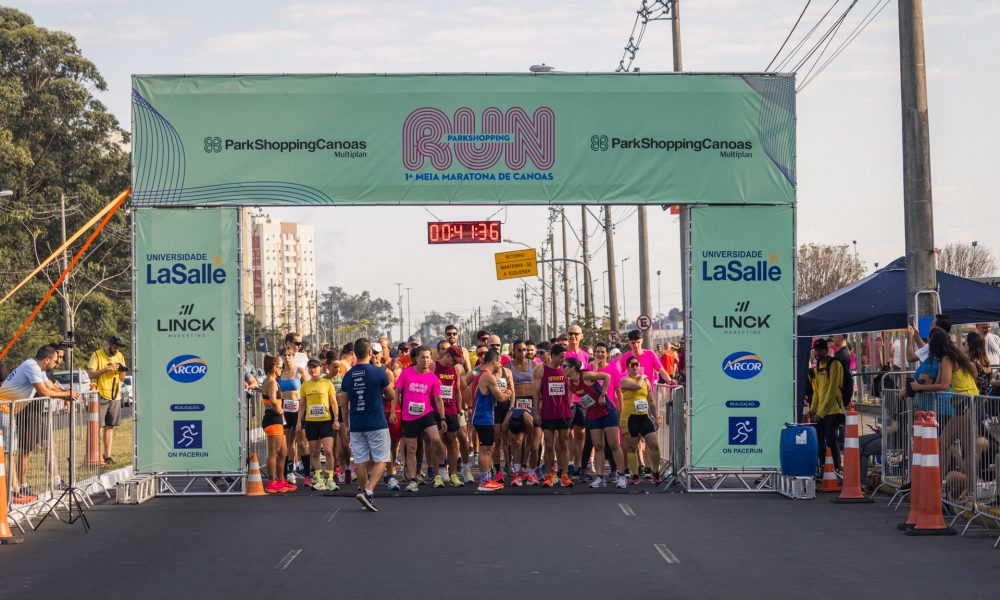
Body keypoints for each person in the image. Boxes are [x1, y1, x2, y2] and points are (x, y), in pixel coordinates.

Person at [1, 345, 78, 503]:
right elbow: (44, 392)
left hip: (9, 410)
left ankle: (15, 489)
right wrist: (66, 396)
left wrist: (66, 392)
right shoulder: (31, 366)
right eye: (55, 361)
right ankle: (12, 491)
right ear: (47, 359)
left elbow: (50, 386)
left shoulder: (38, 368)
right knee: (9, 452)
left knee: (11, 452)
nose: (57, 364)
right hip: (3, 409)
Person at [340, 338, 396, 512]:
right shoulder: (379, 372)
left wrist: (347, 424)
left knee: (361, 461)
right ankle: (369, 491)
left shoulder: (348, 375)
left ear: (354, 354)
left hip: (356, 424)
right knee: (382, 458)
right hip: (377, 423)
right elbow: (392, 395)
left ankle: (365, 495)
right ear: (370, 353)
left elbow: (343, 402)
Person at [562, 358, 626, 489]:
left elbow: (607, 376)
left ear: (573, 368)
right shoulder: (571, 384)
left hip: (607, 410)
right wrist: (584, 403)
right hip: (593, 413)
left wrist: (603, 393)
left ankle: (622, 476)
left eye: (564, 366)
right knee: (597, 446)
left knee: (614, 444)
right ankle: (600, 477)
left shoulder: (586, 375)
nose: (562, 368)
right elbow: (583, 396)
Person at [392, 346, 447, 492]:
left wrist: (442, 418)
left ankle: (440, 470)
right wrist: (393, 412)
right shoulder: (406, 373)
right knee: (411, 448)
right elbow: (396, 392)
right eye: (423, 357)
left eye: (428, 357)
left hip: (426, 414)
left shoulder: (433, 377)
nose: (426, 360)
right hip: (409, 416)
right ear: (416, 358)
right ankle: (412, 479)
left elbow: (438, 399)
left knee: (436, 441)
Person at [618, 355, 664, 485]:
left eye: (637, 364)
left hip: (644, 417)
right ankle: (635, 475)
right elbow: (637, 386)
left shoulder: (646, 382)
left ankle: (655, 472)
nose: (636, 367)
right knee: (632, 447)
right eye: (633, 365)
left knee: (654, 445)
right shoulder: (624, 380)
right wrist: (643, 376)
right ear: (627, 367)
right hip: (630, 417)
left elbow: (651, 401)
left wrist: (655, 416)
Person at [533, 343, 574, 487]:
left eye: (565, 357)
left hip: (563, 412)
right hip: (548, 413)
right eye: (561, 357)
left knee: (563, 443)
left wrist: (569, 404)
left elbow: (572, 387)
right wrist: (536, 412)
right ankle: (550, 474)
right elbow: (536, 393)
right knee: (549, 444)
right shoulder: (542, 370)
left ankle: (564, 474)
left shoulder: (566, 370)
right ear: (553, 356)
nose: (563, 360)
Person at [298, 359, 339, 491]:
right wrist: (299, 421)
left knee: (328, 450)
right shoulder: (305, 385)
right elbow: (302, 405)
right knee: (314, 452)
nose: (312, 370)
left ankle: (330, 480)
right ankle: (319, 480)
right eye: (310, 367)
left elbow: (333, 402)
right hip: (311, 422)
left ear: (320, 368)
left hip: (325, 421)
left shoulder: (327, 383)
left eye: (315, 367)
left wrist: (336, 419)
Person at [86, 335, 127, 465]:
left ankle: (107, 455)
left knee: (109, 426)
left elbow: (122, 378)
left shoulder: (119, 355)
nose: (117, 350)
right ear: (109, 344)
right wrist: (107, 369)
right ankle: (95, 455)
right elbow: (90, 374)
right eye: (115, 347)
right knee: (97, 426)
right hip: (101, 394)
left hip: (115, 396)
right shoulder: (97, 355)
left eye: (119, 348)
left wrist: (121, 370)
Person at [472, 349, 508, 491]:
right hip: (483, 417)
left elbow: (493, 394)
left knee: (488, 448)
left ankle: (486, 479)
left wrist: (502, 393)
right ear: (494, 361)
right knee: (486, 449)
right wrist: (508, 394)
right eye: (499, 361)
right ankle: (484, 481)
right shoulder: (488, 376)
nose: (500, 365)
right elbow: (499, 398)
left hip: (483, 416)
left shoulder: (481, 373)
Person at [809, 339, 845, 475]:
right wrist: (813, 408)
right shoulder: (818, 365)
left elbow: (832, 391)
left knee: (831, 439)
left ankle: (837, 468)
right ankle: (825, 468)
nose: (817, 353)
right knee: (819, 440)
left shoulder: (834, 364)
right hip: (821, 410)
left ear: (825, 350)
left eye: (820, 350)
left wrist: (821, 413)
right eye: (815, 350)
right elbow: (817, 390)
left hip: (834, 409)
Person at [434, 343, 468, 487]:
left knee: (452, 442)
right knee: (437, 442)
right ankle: (438, 474)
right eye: (454, 360)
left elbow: (458, 391)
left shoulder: (457, 369)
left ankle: (453, 474)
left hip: (452, 409)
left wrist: (460, 409)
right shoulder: (433, 366)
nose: (455, 363)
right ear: (447, 355)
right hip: (436, 409)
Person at [507, 340, 539, 486]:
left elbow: (539, 384)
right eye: (519, 350)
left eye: (525, 350)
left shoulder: (533, 365)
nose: (523, 353)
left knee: (533, 443)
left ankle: (529, 471)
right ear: (513, 351)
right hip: (516, 404)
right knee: (517, 441)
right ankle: (517, 472)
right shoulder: (508, 366)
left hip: (532, 404)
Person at [261, 355, 294, 493]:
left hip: (277, 419)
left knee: (283, 452)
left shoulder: (272, 381)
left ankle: (281, 480)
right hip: (273, 419)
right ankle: (271, 482)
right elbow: (273, 401)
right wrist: (281, 411)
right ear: (274, 367)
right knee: (273, 452)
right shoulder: (271, 382)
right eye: (281, 367)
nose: (282, 369)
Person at [279, 345, 306, 484]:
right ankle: (289, 471)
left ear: (293, 356)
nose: (287, 358)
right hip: (286, 411)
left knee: (301, 443)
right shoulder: (280, 374)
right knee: (288, 443)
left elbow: (308, 389)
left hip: (298, 410)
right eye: (284, 355)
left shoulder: (300, 371)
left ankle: (308, 474)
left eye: (289, 355)